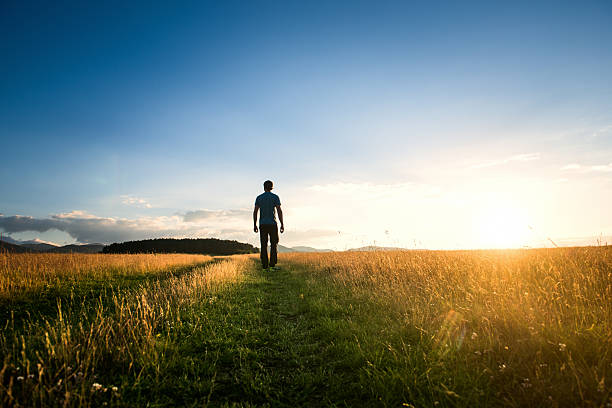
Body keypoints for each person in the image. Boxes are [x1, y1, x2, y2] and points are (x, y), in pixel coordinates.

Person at [253, 180, 284, 270]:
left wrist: (254, 224)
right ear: (271, 187)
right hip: (272, 224)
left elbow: (255, 212)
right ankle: (272, 263)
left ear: (264, 187)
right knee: (274, 244)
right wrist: (282, 224)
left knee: (263, 244)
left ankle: (265, 264)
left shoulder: (259, 198)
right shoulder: (275, 197)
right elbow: (279, 211)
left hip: (263, 224)